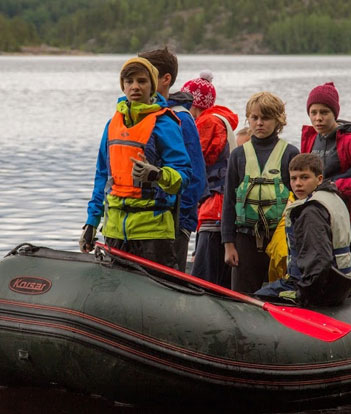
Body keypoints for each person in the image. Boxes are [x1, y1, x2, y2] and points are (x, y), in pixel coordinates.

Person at [80, 57, 192, 267]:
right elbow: (102, 176)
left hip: (153, 231)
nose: (135, 87)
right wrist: (91, 222)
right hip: (114, 230)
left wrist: (157, 175)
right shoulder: (112, 125)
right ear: (123, 86)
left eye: (142, 81)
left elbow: (184, 175)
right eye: (129, 81)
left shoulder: (165, 124)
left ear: (152, 86)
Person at [255, 154, 351, 305]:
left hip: (317, 289)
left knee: (254, 300)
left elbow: (319, 262)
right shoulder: (333, 199)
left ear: (319, 179)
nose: (298, 184)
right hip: (341, 284)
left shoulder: (311, 212)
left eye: (304, 177)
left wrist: (304, 296)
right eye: (294, 178)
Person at [222, 92, 299, 293]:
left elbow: (299, 199)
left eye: (265, 118)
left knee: (283, 293)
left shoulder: (290, 153)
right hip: (245, 239)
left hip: (279, 238)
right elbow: (229, 200)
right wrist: (228, 244)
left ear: (278, 120)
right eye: (254, 118)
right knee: (242, 295)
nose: (259, 123)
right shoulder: (238, 155)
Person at [138, 48, 206, 271]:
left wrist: (183, 225)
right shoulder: (140, 116)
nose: (139, 84)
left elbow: (194, 176)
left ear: (165, 79)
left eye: (147, 76)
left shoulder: (181, 120)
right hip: (143, 220)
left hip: (172, 223)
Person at [175, 71, 240, 287]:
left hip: (214, 207)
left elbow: (193, 159)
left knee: (204, 275)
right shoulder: (221, 120)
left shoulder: (206, 123)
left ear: (192, 103)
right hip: (218, 204)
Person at [300, 82, 351, 232]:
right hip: (319, 214)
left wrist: (337, 186)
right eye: (313, 112)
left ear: (335, 114)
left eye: (324, 112)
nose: (318, 118)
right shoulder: (310, 139)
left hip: (349, 219)